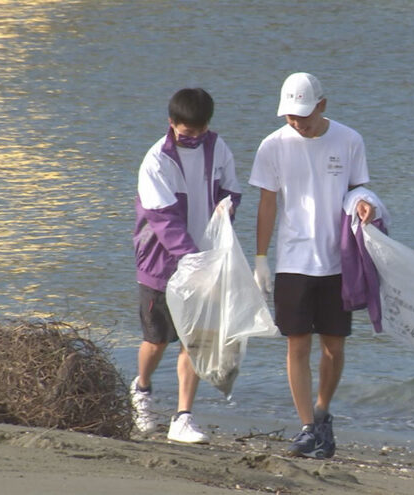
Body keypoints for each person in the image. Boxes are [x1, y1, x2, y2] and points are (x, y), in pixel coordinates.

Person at [249, 72, 377, 459]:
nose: (297, 121)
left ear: (322, 105)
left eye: (303, 114)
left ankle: (322, 413)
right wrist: (260, 258)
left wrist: (364, 202)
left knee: (334, 347)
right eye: (289, 115)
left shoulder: (349, 139)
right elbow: (268, 203)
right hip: (293, 259)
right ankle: (307, 427)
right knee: (297, 344)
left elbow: (358, 188)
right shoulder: (272, 146)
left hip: (339, 259)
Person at [131, 87, 241, 443]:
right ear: (171, 123)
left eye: (199, 132)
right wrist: (193, 261)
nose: (193, 138)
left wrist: (226, 210)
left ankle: (183, 417)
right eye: (185, 133)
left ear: (207, 125)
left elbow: (231, 192)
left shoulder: (217, 148)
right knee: (157, 340)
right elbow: (164, 221)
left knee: (194, 340)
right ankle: (142, 392)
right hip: (162, 265)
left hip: (205, 260)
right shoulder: (156, 161)